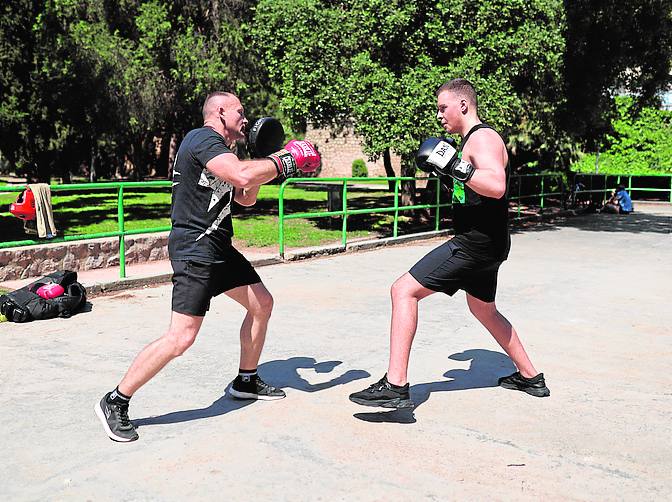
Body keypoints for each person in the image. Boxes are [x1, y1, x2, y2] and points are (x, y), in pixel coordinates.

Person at [95, 91, 321, 442]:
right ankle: (115, 400)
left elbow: (245, 196)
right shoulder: (202, 139)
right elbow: (243, 177)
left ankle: (246, 380)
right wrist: (286, 161)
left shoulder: (227, 153)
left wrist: (264, 162)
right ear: (219, 112)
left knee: (262, 303)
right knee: (181, 337)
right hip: (194, 249)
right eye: (239, 112)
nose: (245, 119)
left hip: (219, 247)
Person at [349, 78, 549, 409]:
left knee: (403, 291)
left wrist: (455, 165)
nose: (440, 115)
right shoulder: (471, 141)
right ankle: (531, 376)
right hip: (491, 243)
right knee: (483, 309)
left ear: (463, 105)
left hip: (474, 244)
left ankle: (395, 386)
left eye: (443, 108)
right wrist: (449, 174)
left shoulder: (482, 138)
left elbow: (496, 185)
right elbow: (474, 191)